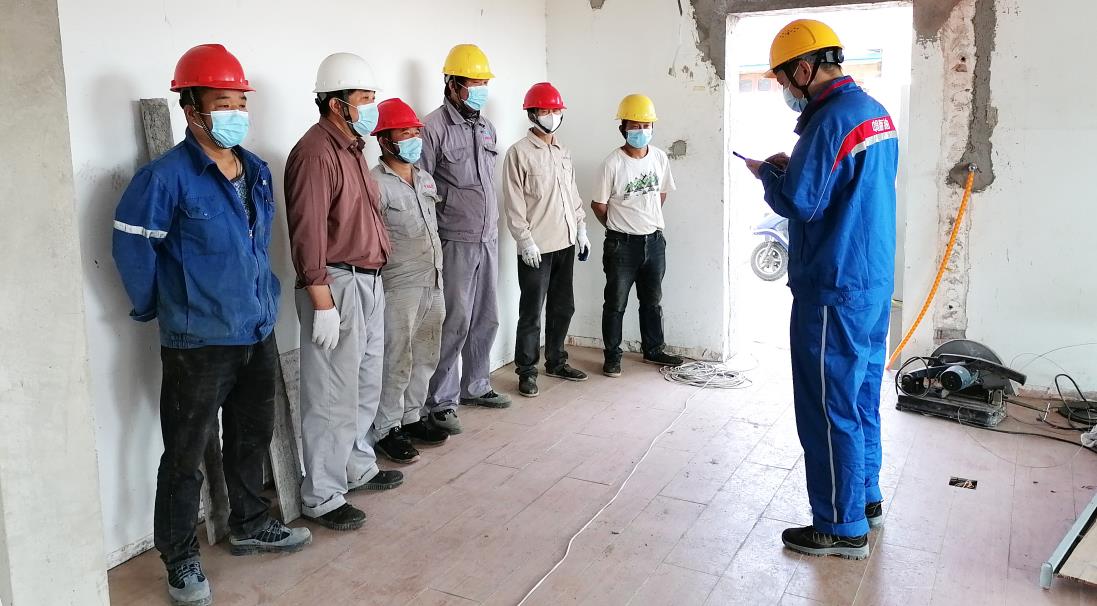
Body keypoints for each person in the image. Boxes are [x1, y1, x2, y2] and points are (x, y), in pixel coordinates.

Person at [112, 44, 310, 606]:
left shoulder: (256, 170)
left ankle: (250, 524)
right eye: (224, 103)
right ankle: (180, 558)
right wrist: (163, 308)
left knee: (251, 435)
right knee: (184, 454)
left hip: (255, 329)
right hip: (197, 342)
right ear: (191, 108)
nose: (236, 113)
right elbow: (132, 249)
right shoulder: (164, 179)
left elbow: (255, 247)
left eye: (241, 103)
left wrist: (264, 302)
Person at [739, 19, 897, 560]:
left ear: (805, 69)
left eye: (784, 78)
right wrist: (799, 168)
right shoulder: (873, 112)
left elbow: (801, 203)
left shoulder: (828, 121)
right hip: (870, 281)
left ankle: (839, 526)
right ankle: (866, 498)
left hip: (834, 285)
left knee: (829, 407)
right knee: (861, 397)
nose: (785, 88)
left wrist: (768, 174)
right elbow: (846, 186)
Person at [284, 52, 403, 533]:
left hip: (367, 281)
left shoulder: (353, 149)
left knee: (365, 382)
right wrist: (322, 302)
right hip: (336, 285)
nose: (372, 107)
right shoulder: (314, 153)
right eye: (365, 98)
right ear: (337, 104)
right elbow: (307, 232)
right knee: (331, 393)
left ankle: (356, 465)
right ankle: (322, 493)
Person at [419, 43, 511, 435]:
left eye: (484, 83)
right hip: (454, 239)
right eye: (473, 84)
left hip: (488, 237)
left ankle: (476, 384)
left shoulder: (487, 127)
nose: (480, 91)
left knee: (486, 316)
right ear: (453, 85)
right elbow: (421, 188)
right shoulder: (432, 128)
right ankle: (440, 401)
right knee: (454, 321)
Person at [369, 98, 452, 463]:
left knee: (426, 354)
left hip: (433, 278)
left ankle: (412, 416)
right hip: (398, 285)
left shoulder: (424, 178)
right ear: (384, 140)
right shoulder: (374, 183)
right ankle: (386, 428)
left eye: (416, 132)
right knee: (396, 357)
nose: (414, 140)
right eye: (405, 134)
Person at [502, 82, 590, 397]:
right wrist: (524, 241)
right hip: (536, 249)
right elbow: (514, 203)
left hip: (565, 242)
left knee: (563, 307)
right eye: (544, 110)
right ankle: (527, 371)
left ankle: (556, 361)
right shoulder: (518, 153)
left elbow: (572, 195)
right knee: (531, 312)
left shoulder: (563, 151)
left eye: (555, 110)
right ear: (532, 113)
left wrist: (581, 228)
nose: (551, 115)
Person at [591, 94, 684, 378]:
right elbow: (598, 205)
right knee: (615, 304)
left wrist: (647, 219)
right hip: (621, 245)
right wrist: (618, 226)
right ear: (623, 128)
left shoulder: (659, 158)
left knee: (652, 301)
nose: (641, 131)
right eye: (635, 126)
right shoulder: (612, 163)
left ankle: (653, 349)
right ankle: (612, 357)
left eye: (646, 125)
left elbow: (662, 193)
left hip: (654, 242)